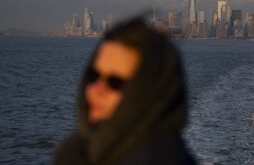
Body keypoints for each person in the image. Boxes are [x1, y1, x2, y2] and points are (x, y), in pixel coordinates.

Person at [54, 15, 196, 165]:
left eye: (115, 82)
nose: (97, 89)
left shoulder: (160, 159)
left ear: (149, 93)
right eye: (93, 75)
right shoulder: (74, 151)